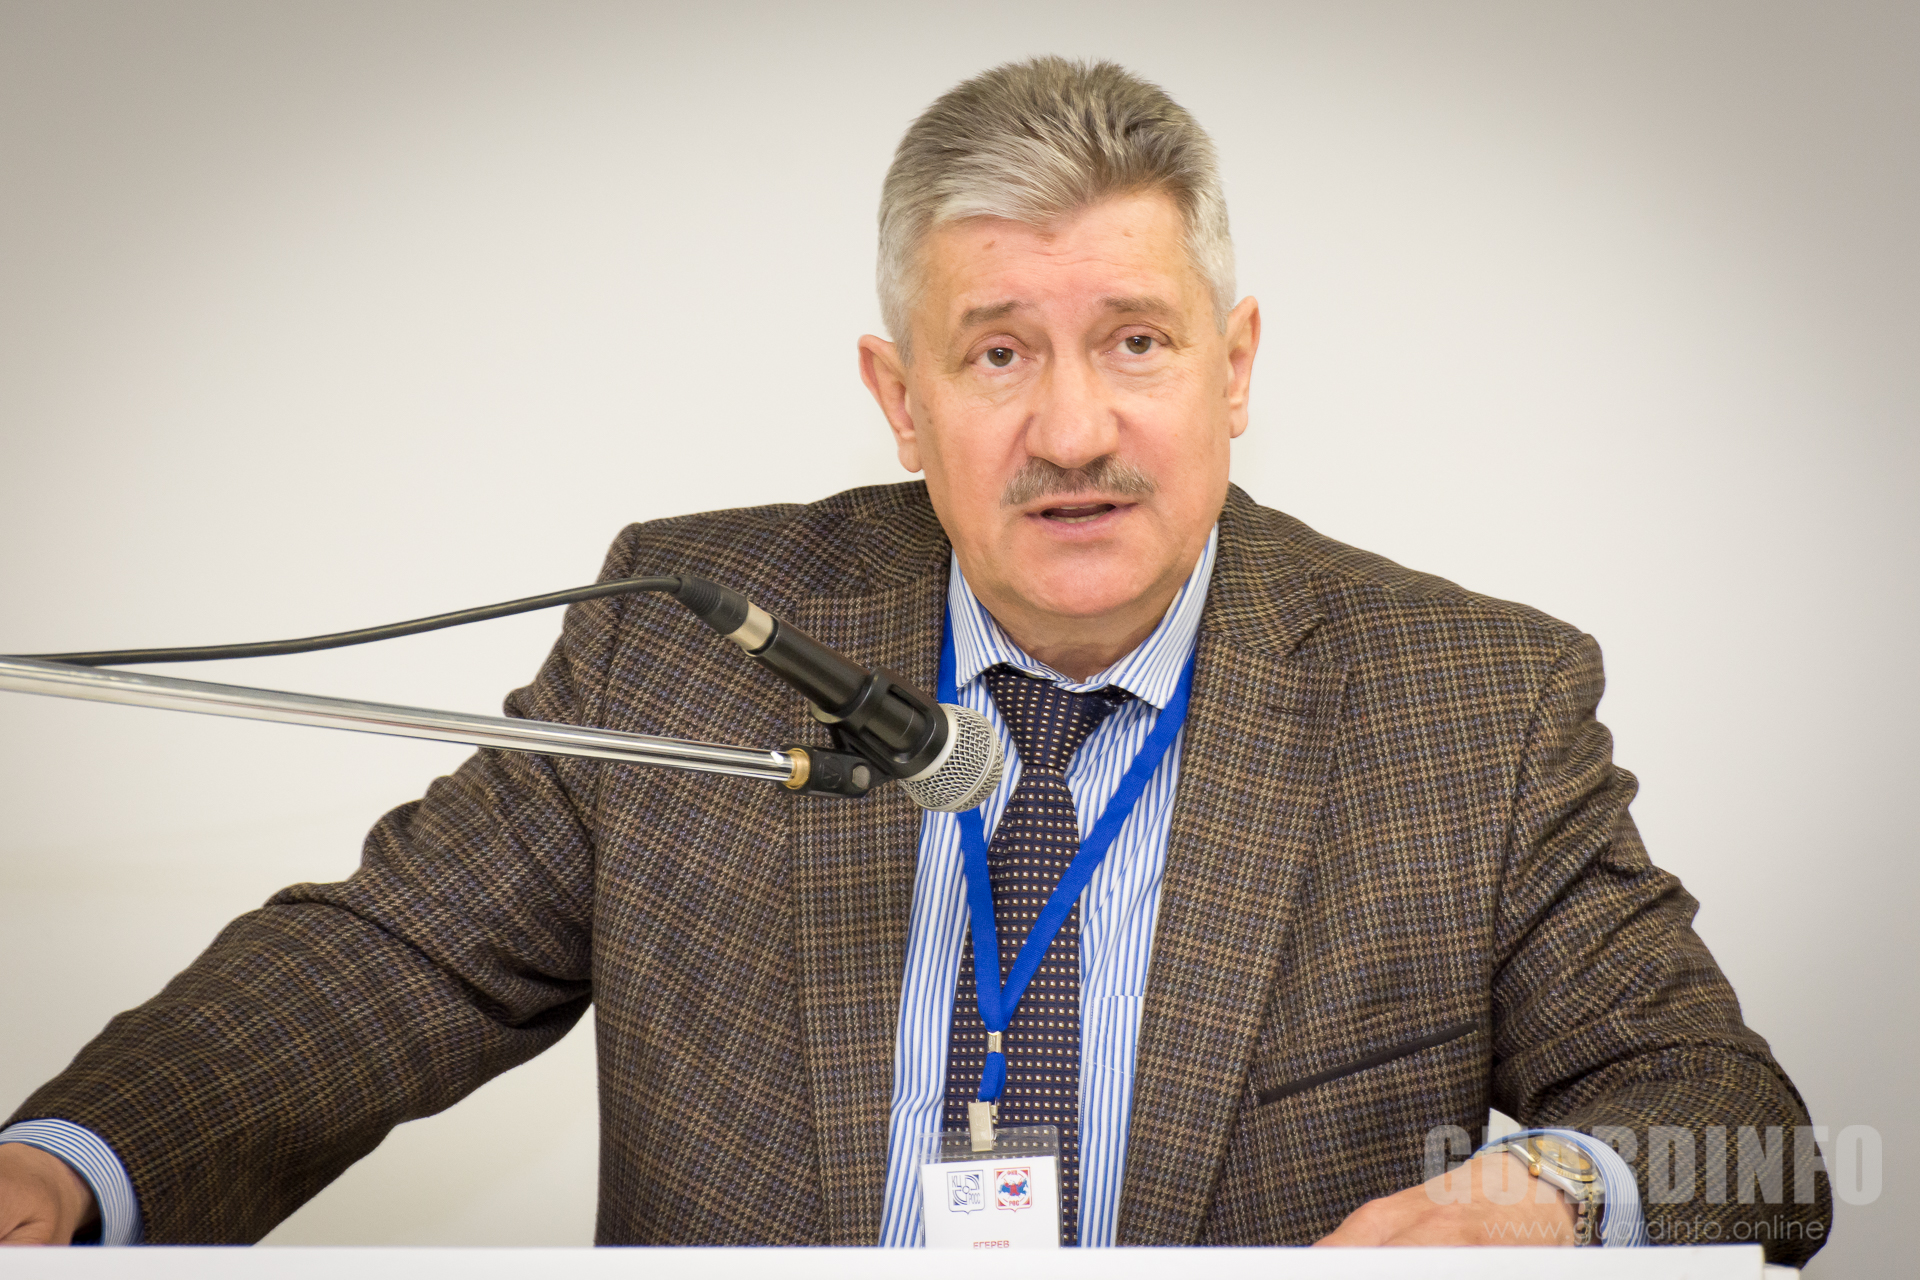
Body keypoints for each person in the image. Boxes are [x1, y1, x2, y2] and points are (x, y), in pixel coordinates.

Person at [0, 58, 1828, 1262]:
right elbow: (390, 960)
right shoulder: (695, 638)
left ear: (1237, 368)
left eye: (1136, 341)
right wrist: (67, 1164)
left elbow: (1753, 1138)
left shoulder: (1473, 706)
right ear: (899, 396)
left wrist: (1556, 1191)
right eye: (999, 354)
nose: (1074, 431)